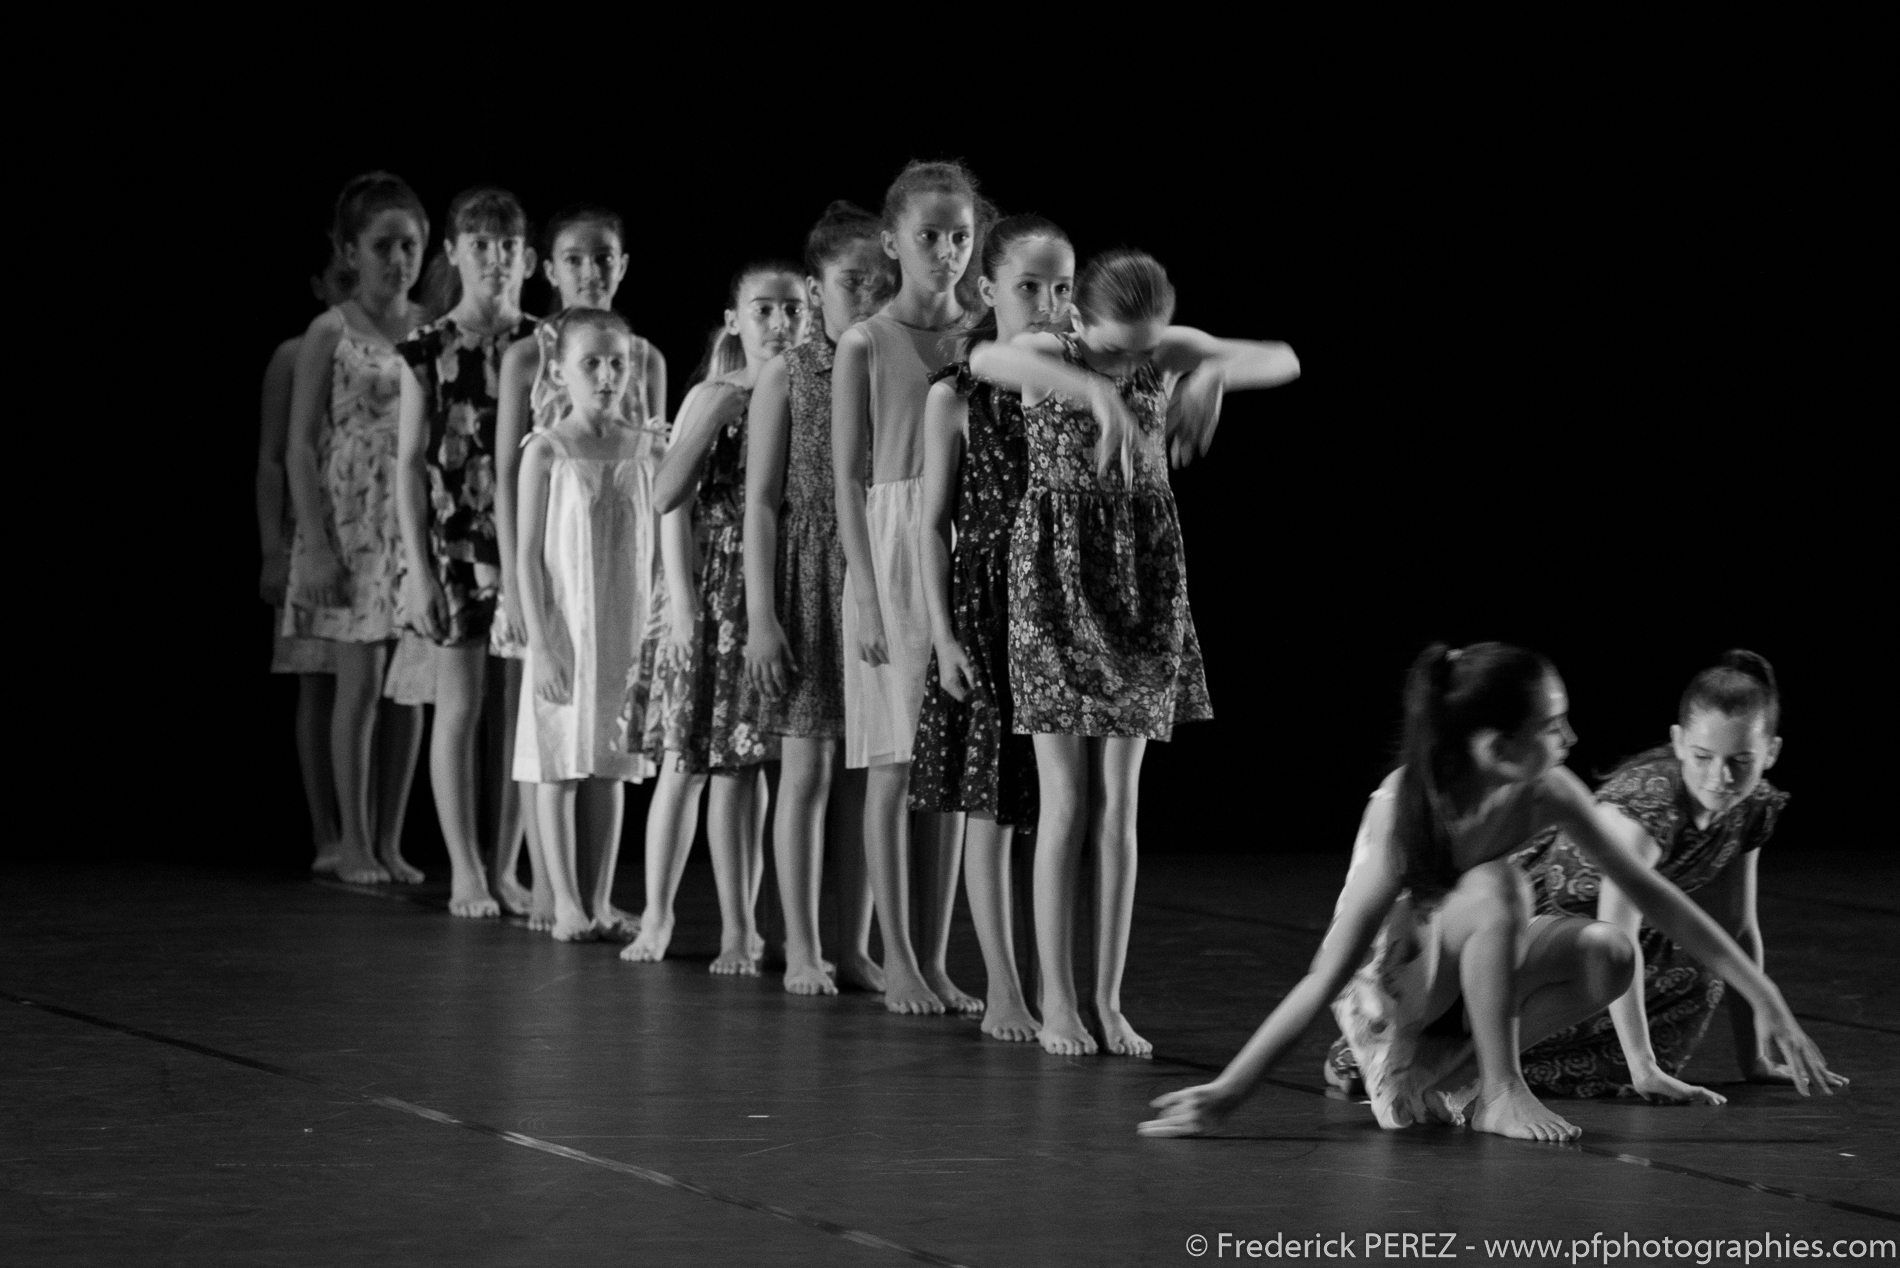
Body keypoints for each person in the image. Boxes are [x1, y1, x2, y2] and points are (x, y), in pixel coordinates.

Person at [1138, 642, 1838, 1143]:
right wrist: (1230, 1090)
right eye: (1552, 726)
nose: (1572, 736)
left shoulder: (1548, 789)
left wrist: (1767, 997)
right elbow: (1327, 974)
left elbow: (1654, 898)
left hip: (1461, 974)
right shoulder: (1408, 813)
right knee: (1498, 884)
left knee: (1610, 954)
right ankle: (1491, 1088)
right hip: (1389, 994)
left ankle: (1458, 1077)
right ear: (1498, 748)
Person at [972, 249, 1299, 1056]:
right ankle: (1056, 1002)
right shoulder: (1050, 351)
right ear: (1080, 321)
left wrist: (1209, 373)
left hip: (1142, 575)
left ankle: (1108, 1002)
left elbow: (1284, 358)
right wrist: (1095, 392)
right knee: (1066, 800)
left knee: (1120, 803)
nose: (1131, 364)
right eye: (1116, 349)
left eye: (1144, 349)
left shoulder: (1162, 349)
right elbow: (985, 360)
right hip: (1056, 579)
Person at [1512, 651, 1849, 1100]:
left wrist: (1756, 1059)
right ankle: (1480, 1055)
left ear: (1771, 752)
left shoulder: (1752, 806)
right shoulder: (1649, 805)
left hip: (1602, 948)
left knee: (1701, 968)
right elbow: (1616, 935)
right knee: (1623, 957)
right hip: (1541, 933)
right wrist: (1643, 1067)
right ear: (1678, 741)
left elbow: (1738, 928)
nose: (1719, 777)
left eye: (1740, 761)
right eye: (1703, 757)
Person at [908, 214, 1081, 1039]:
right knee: (992, 804)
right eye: (1028, 287)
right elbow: (931, 524)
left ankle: (1063, 988)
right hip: (986, 606)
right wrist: (943, 637)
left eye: (1062, 288)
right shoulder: (958, 394)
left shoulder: (1080, 385)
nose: (1048, 304)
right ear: (987, 290)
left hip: (1061, 606)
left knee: (1060, 803)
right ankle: (1004, 988)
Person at [831, 160, 987, 1015]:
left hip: (967, 543)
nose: (947, 251)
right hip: (893, 547)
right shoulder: (866, 341)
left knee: (954, 768)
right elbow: (849, 478)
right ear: (893, 241)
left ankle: (935, 958)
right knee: (893, 760)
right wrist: (863, 591)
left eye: (960, 235)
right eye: (929, 235)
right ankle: (896, 959)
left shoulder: (984, 338)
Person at [623, 263, 806, 971]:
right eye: (764, 309)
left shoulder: (805, 392)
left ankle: (742, 927)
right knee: (684, 759)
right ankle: (657, 916)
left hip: (771, 587)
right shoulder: (714, 394)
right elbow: (671, 505)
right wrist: (683, 603)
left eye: (793, 309)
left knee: (745, 764)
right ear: (735, 320)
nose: (780, 323)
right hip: (709, 587)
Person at [493, 204, 665, 929]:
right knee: (556, 758)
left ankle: (598, 898)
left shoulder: (645, 448)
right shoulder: (545, 451)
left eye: (616, 364)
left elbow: (660, 545)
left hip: (624, 625)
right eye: (590, 363)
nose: (606, 375)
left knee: (610, 761)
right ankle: (561, 898)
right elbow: (529, 554)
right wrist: (542, 636)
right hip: (564, 624)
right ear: (560, 373)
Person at [743, 202, 889, 995]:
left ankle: (855, 945)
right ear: (815, 288)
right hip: (805, 578)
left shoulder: (894, 358)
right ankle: (800, 945)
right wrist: (762, 617)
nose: (867, 297)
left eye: (880, 283)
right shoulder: (789, 372)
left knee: (867, 772)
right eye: (851, 282)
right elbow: (763, 502)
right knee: (805, 770)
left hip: (875, 575)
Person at [283, 172, 431, 889]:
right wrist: (313, 543)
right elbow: (298, 445)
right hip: (351, 524)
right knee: (360, 681)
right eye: (382, 246)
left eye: (410, 245)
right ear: (350, 251)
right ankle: (351, 841)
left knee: (409, 686)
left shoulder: (432, 327)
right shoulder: (330, 331)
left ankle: (391, 841)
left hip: (413, 524)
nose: (398, 260)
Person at [394, 187, 538, 917]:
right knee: (460, 706)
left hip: (527, 541)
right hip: (455, 543)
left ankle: (507, 866)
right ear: (453, 252)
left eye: (507, 246)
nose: (495, 258)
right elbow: (407, 465)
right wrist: (418, 571)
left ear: (527, 258)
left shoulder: (543, 342)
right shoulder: (426, 347)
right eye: (480, 244)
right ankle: (464, 869)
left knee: (519, 714)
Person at [258, 242, 344, 874]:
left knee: (377, 690)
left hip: (370, 530)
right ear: (318, 284)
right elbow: (273, 457)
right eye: (339, 278)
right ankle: (326, 831)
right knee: (318, 684)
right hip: (310, 534)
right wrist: (273, 548)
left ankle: (373, 830)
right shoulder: (296, 352)